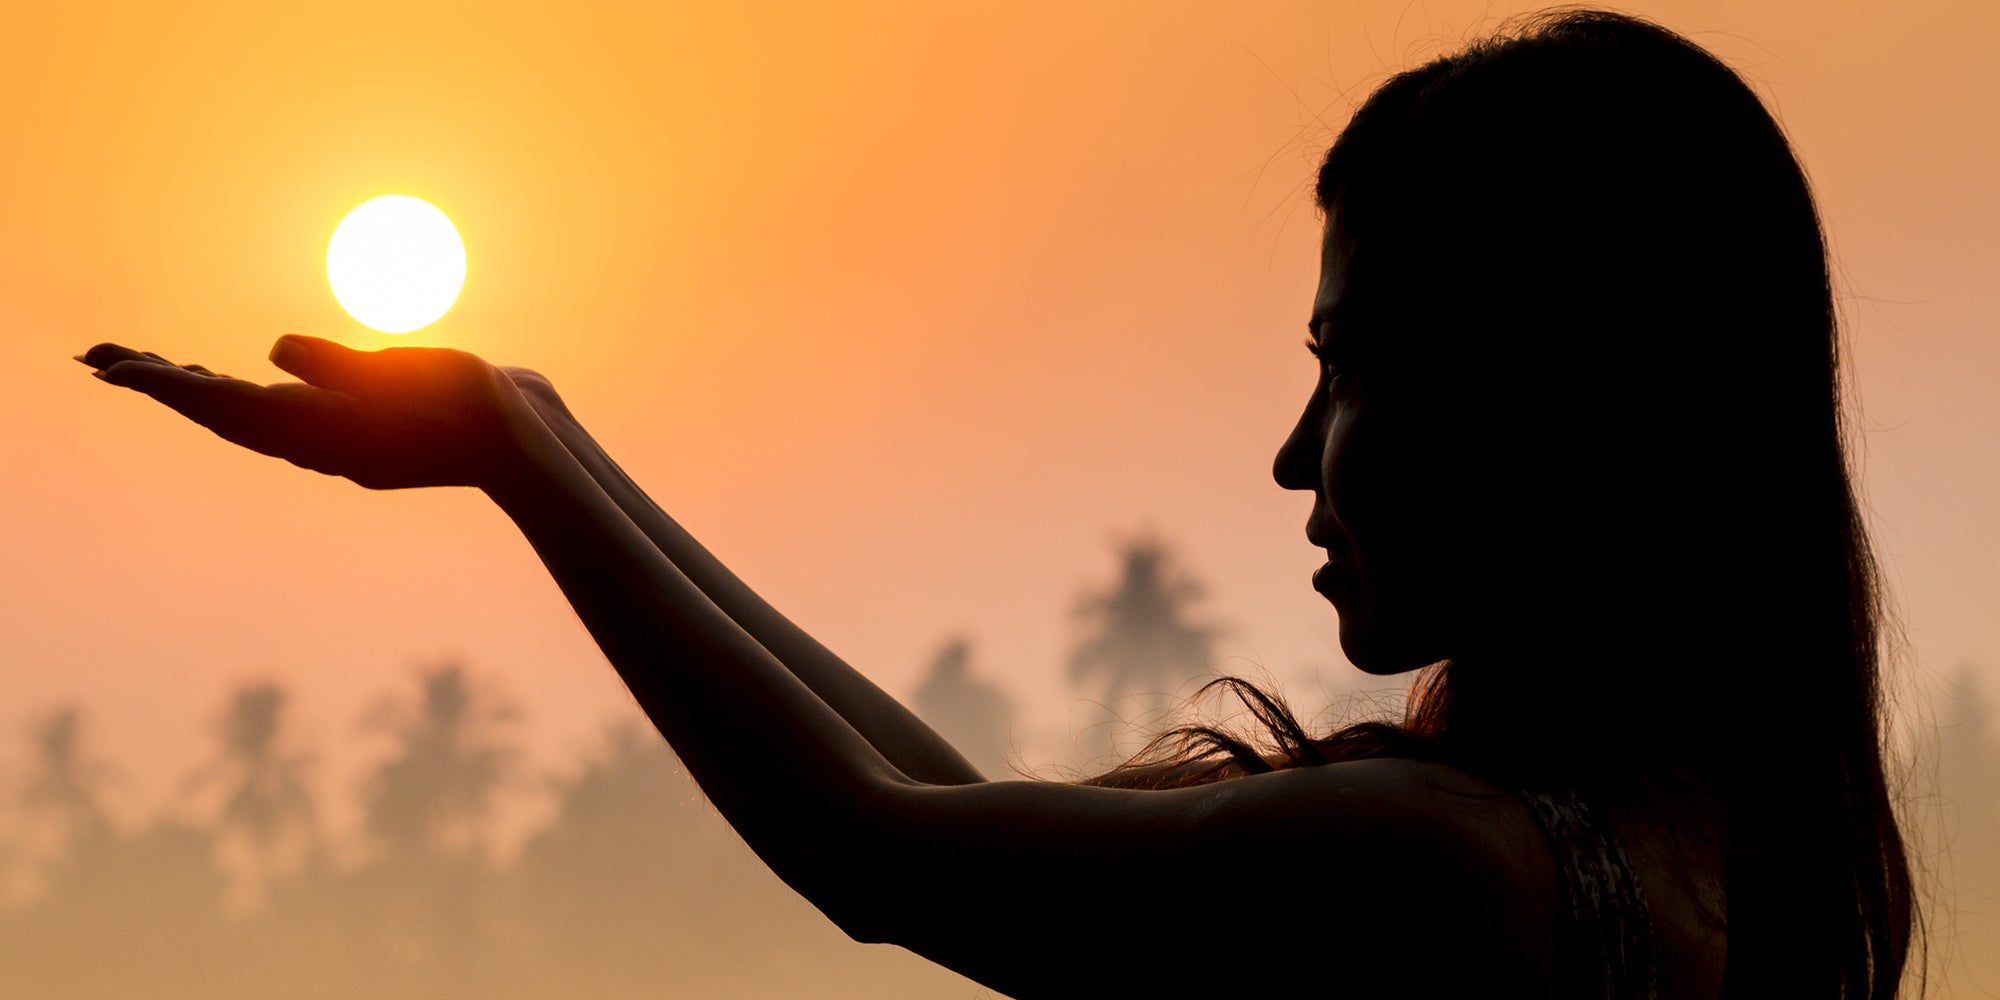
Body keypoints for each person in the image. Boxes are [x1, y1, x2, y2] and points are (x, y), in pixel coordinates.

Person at [79, 9, 1915, 998]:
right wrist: (547, 438)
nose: (1296, 452)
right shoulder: (1698, 864)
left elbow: (881, 856)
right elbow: (953, 815)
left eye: (1347, 367)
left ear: (1539, 396)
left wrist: (525, 467)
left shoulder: (1443, 874)